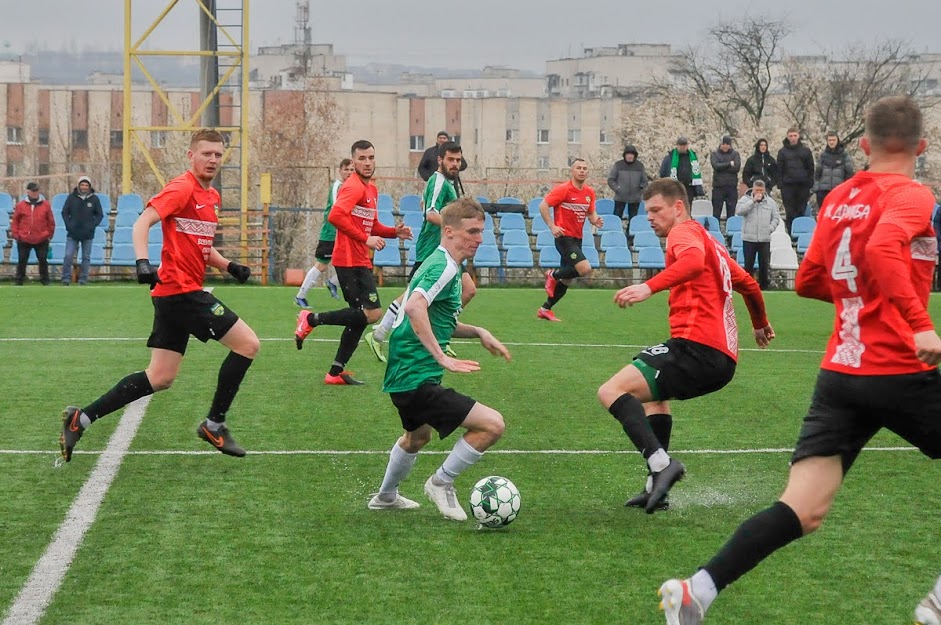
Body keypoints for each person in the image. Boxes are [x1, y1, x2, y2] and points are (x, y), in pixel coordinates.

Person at [657, 95, 941, 625]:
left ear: (862, 146)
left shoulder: (837, 198)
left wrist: (859, 301)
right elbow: (882, 250)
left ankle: (696, 591)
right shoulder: (912, 194)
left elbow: (810, 279)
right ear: (922, 147)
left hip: (841, 374)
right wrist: (919, 324)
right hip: (898, 368)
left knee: (803, 509)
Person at [59, 129, 258, 462]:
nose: (212, 159)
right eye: (206, 153)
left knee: (161, 377)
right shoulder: (182, 187)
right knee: (249, 344)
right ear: (190, 156)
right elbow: (143, 222)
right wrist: (141, 261)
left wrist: (228, 266)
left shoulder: (211, 198)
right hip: (181, 292)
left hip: (172, 295)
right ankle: (214, 424)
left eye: (218, 155)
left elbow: (201, 246)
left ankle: (81, 419)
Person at [596, 178, 774, 514]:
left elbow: (691, 264)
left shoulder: (684, 233)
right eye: (646, 211)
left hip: (697, 348)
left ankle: (662, 465)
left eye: (655, 210)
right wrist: (760, 323)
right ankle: (655, 489)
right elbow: (750, 285)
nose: (649, 217)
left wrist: (648, 287)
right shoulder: (713, 244)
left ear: (678, 207)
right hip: (720, 360)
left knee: (611, 391)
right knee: (656, 398)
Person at [367, 197, 511, 520]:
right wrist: (441, 357)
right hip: (416, 377)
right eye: (472, 231)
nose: (479, 239)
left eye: (481, 231)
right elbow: (414, 307)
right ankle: (441, 482)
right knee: (492, 425)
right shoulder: (445, 266)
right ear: (449, 231)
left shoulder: (443, 263)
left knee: (417, 437)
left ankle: (386, 496)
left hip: (405, 376)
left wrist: (478, 332)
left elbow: (432, 317)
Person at [294, 140, 412, 385]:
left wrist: (393, 232)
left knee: (361, 316)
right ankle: (311, 319)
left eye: (370, 157)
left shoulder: (371, 189)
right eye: (362, 158)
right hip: (349, 260)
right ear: (353, 161)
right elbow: (335, 215)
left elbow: (372, 225)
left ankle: (335, 372)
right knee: (372, 313)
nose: (367, 163)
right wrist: (365, 238)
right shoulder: (354, 186)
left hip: (359, 259)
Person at [365, 142, 477, 362]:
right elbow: (431, 214)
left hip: (448, 251)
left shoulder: (446, 184)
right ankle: (378, 334)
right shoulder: (438, 181)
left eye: (457, 160)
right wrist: (457, 226)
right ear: (440, 160)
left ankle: (438, 335)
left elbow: (430, 206)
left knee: (466, 290)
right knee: (411, 295)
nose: (455, 164)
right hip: (431, 250)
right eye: (450, 160)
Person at [538, 158, 602, 322]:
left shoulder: (589, 193)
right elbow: (543, 205)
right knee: (585, 268)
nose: (582, 170)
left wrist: (595, 220)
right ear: (572, 171)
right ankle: (552, 274)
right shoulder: (564, 190)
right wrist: (552, 226)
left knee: (567, 279)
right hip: (564, 237)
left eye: (585, 168)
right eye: (578, 168)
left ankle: (545, 309)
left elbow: (591, 212)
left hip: (577, 238)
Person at [294, 158, 353, 307]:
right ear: (340, 171)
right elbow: (336, 209)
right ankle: (300, 296)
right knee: (321, 265)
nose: (349, 172)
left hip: (343, 234)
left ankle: (333, 283)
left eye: (352, 170)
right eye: (346, 169)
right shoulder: (337, 186)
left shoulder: (350, 188)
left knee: (351, 262)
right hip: (331, 233)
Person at [734, 179, 779, 290]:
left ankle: (764, 287)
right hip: (749, 238)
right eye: (757, 190)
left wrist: (770, 228)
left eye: (761, 190)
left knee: (764, 264)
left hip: (764, 239)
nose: (759, 192)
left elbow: (776, 218)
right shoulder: (745, 199)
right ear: (753, 189)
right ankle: (747, 287)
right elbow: (739, 211)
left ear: (764, 190)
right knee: (748, 264)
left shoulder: (771, 202)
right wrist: (752, 201)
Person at [60, 175, 104, 286]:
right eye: (82, 185)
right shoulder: (71, 197)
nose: (84, 187)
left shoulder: (94, 199)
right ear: (79, 186)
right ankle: (66, 278)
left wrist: (92, 226)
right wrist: (69, 225)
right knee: (68, 255)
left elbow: (99, 215)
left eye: (86, 185)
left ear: (89, 186)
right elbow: (64, 212)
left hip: (88, 234)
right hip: (73, 233)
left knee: (86, 257)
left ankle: (83, 279)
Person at [11, 181, 55, 286]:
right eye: (33, 191)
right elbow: (15, 221)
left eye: (37, 190)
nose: (35, 193)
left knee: (43, 260)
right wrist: (17, 235)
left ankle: (45, 280)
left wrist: (49, 234)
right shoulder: (20, 205)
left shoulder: (46, 205)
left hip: (41, 238)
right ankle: (19, 280)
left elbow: (51, 221)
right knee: (22, 260)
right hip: (24, 238)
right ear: (28, 191)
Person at [776, 127, 815, 235]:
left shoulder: (806, 151)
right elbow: (779, 169)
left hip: (803, 185)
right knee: (790, 212)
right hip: (788, 186)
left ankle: (800, 233)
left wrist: (810, 182)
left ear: (798, 136)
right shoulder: (782, 152)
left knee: (801, 210)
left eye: (795, 136)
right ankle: (790, 233)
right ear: (787, 137)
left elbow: (811, 168)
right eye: (790, 136)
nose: (793, 138)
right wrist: (780, 184)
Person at [814, 131, 855, 210]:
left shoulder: (844, 156)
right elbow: (817, 174)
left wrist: (847, 189)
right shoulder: (822, 156)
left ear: (837, 140)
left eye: (833, 140)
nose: (831, 142)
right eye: (829, 140)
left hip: (839, 190)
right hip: (823, 190)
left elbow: (849, 174)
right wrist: (817, 189)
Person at [607, 145, 648, 220]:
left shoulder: (640, 165)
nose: (630, 156)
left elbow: (645, 180)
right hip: (620, 197)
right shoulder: (618, 165)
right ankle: (616, 231)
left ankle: (630, 231)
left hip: (635, 198)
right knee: (616, 217)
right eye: (628, 154)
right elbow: (611, 179)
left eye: (632, 154)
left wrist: (641, 188)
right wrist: (617, 188)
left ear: (635, 156)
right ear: (624, 155)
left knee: (633, 218)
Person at [659, 137, 704, 205]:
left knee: (687, 207)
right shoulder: (669, 158)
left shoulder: (692, 157)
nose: (683, 147)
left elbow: (696, 172)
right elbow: (663, 173)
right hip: (675, 188)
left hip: (689, 188)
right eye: (681, 145)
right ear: (677, 145)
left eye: (684, 145)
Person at [709, 136, 741, 220]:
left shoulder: (735, 154)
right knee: (716, 212)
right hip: (718, 187)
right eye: (724, 144)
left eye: (727, 144)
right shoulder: (715, 154)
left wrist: (722, 166)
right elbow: (716, 166)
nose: (725, 146)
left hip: (731, 187)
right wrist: (729, 164)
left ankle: (730, 231)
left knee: (731, 213)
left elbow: (736, 167)